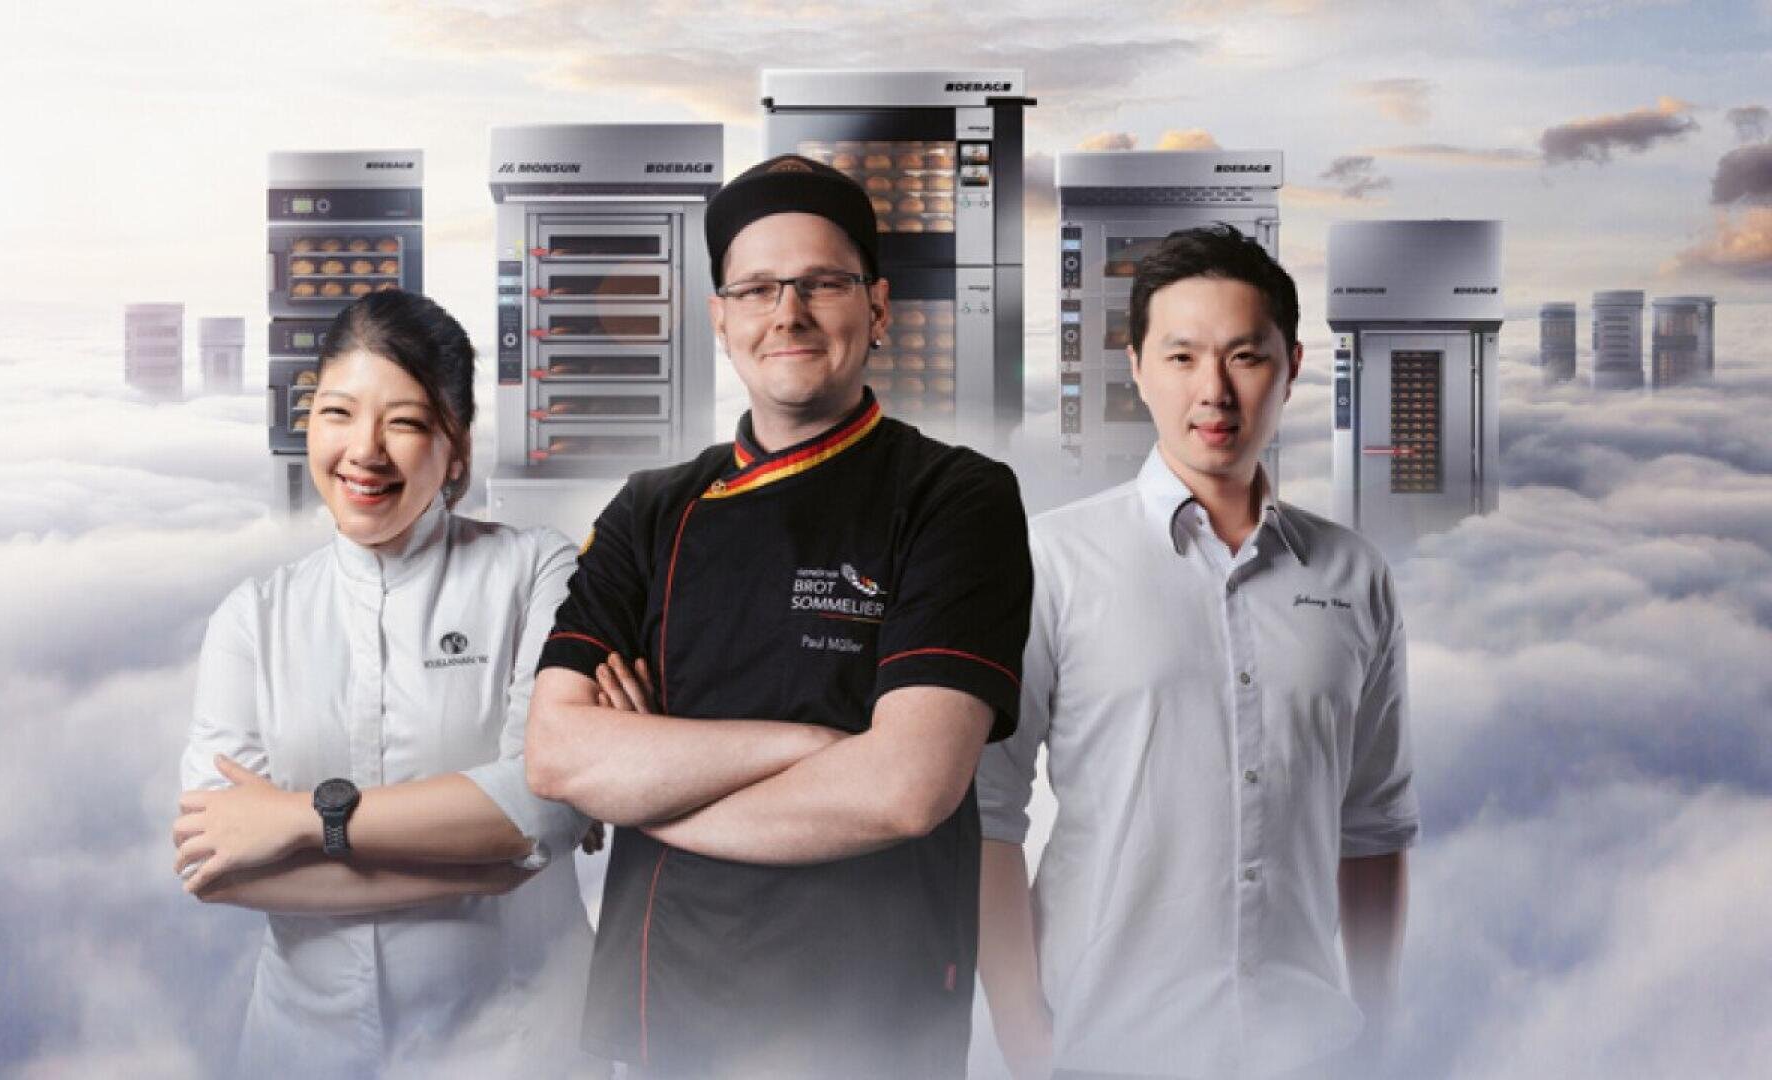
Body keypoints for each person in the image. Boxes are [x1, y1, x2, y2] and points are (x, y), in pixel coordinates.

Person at [522, 154, 1032, 1079]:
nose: (787, 312)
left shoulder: (957, 498)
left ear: (876, 309)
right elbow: (558, 754)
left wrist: (653, 796)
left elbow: (905, 789)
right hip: (662, 1015)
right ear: (722, 321)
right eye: (756, 289)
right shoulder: (649, 508)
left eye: (821, 284)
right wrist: (811, 746)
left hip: (873, 1018)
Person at [978, 225, 1418, 1079]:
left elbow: (1375, 825)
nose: (1213, 391)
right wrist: (1025, 1036)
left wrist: (1383, 1033)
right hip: (1106, 1046)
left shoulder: (1354, 574)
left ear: (1291, 364)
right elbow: (989, 812)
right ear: (1137, 366)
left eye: (1245, 356)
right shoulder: (1051, 560)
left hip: (1310, 1049)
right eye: (1181, 357)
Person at [173, 290, 601, 1077]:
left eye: (403, 422)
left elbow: (545, 802)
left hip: (512, 1043)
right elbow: (217, 862)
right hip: (303, 1048)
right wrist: (493, 861)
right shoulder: (253, 618)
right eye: (337, 413)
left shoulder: (537, 569)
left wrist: (299, 821)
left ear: (457, 450)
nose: (363, 450)